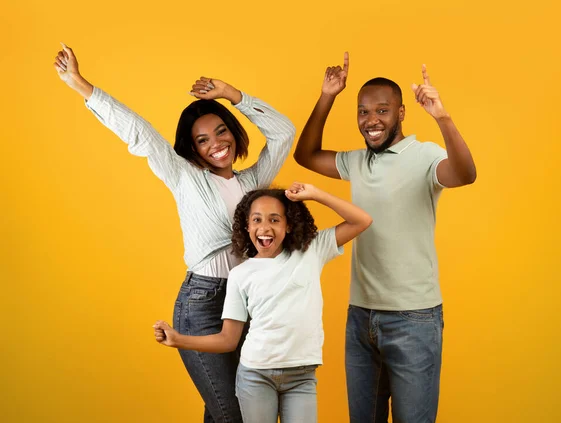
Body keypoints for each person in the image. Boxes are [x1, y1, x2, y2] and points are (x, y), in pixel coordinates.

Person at [54, 43, 295, 423]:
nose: (216, 144)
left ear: (232, 132)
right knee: (233, 414)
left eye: (220, 132)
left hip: (247, 303)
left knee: (226, 410)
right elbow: (140, 133)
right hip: (201, 304)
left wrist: (233, 95)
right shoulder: (184, 176)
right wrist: (82, 85)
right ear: (193, 149)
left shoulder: (254, 183)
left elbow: (283, 133)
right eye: (203, 140)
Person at [293, 52, 477, 423]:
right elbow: (306, 155)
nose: (371, 120)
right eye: (363, 111)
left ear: (401, 113)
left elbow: (465, 173)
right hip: (361, 318)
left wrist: (442, 117)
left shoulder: (424, 155)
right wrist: (328, 95)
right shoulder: (358, 162)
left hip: (414, 319)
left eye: (382, 110)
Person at [153, 182, 372, 423]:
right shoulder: (240, 274)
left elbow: (361, 220)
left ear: (288, 225)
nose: (265, 228)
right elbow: (228, 339)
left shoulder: (311, 250)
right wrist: (178, 339)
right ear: (247, 227)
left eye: (275, 219)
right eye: (256, 220)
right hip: (255, 376)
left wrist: (316, 194)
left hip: (301, 376)